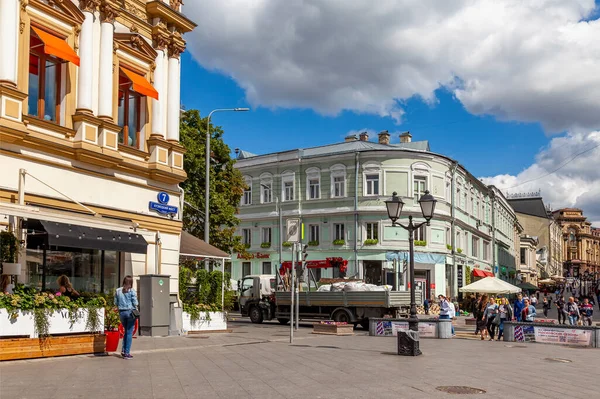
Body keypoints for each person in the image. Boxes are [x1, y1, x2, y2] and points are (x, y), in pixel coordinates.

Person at [114, 275, 139, 359]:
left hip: (122, 313)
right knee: (129, 332)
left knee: (126, 331)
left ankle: (123, 350)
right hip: (130, 313)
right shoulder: (132, 291)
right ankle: (126, 353)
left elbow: (115, 302)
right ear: (131, 282)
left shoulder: (118, 291)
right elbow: (135, 302)